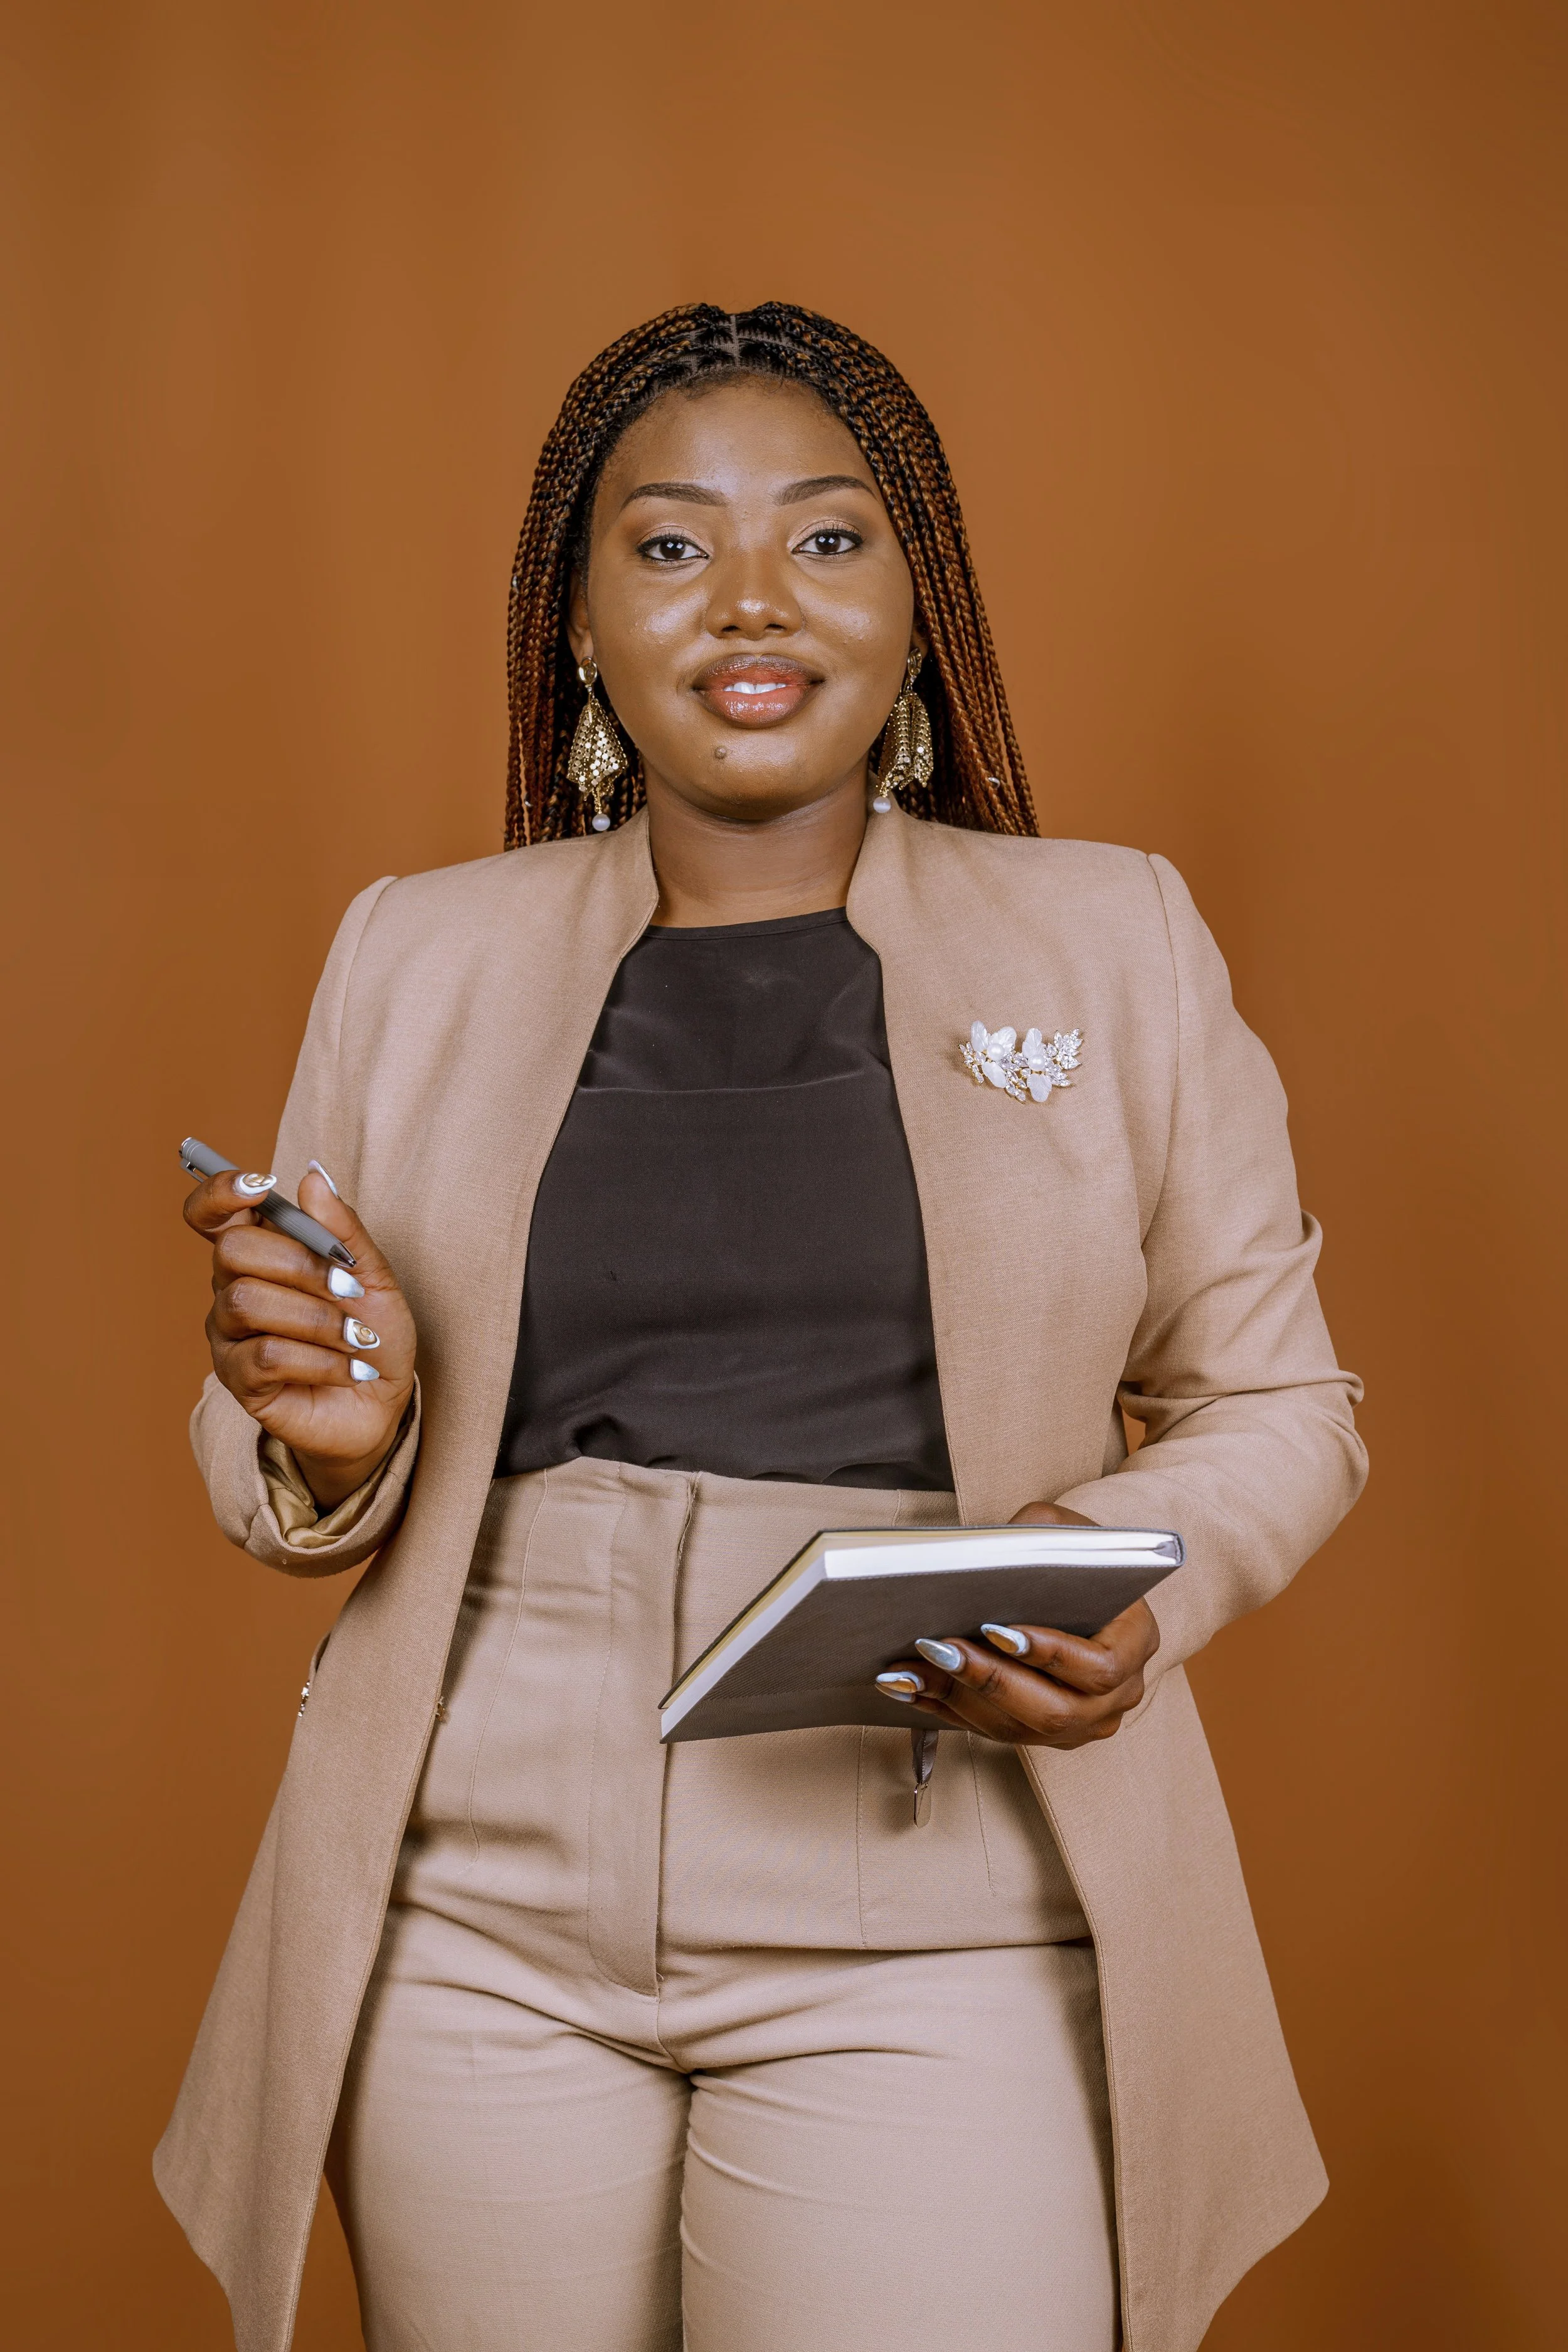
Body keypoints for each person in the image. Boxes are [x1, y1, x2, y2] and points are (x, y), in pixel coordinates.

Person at [156, 303, 1366, 2352]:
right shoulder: (413, 951)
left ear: (915, 605)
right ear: (577, 626)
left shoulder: (1110, 934)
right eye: (665, 545)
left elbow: (1277, 1400)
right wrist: (324, 1433)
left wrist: (1136, 1593)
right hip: (475, 1907)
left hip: (932, 1893)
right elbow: (282, 1413)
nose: (747, 598)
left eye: (823, 538)